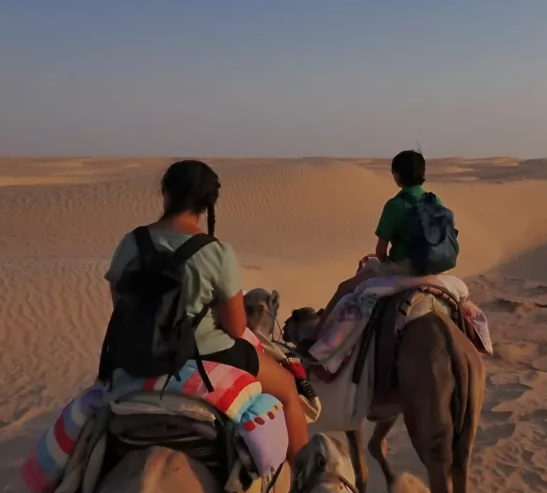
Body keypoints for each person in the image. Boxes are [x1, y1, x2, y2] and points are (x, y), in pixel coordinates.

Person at [103, 159, 308, 465]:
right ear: (207, 203)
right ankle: (306, 482)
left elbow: (120, 302)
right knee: (289, 390)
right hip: (206, 353)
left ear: (166, 192)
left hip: (136, 353)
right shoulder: (215, 252)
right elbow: (236, 328)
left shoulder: (133, 242)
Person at [321, 150, 443, 317]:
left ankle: (316, 335)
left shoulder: (395, 205)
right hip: (434, 268)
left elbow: (381, 251)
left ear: (397, 175)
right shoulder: (435, 201)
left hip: (403, 269)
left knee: (344, 288)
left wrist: (382, 260)